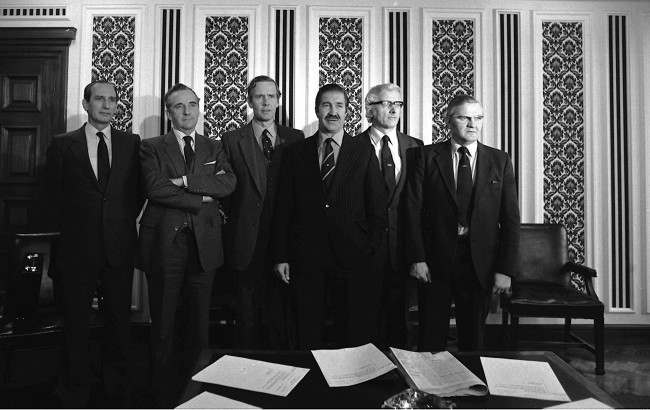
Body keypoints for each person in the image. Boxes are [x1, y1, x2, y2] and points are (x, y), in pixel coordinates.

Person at [42, 80, 143, 407]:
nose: (107, 105)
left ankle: (116, 387)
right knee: (76, 321)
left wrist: (119, 222)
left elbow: (137, 192)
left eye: (112, 100)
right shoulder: (63, 144)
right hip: (75, 249)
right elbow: (51, 197)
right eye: (99, 99)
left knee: (118, 320)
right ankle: (76, 388)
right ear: (86, 104)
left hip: (118, 245)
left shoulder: (131, 143)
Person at [137, 83, 236, 406]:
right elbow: (155, 189)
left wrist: (185, 182)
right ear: (169, 112)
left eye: (192, 105)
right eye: (179, 106)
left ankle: (199, 393)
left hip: (204, 246)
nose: (188, 111)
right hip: (165, 244)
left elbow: (228, 183)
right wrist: (202, 197)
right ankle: (161, 394)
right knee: (163, 325)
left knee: (199, 327)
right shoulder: (151, 147)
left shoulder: (214, 146)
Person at [272, 83, 387, 348]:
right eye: (326, 105)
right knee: (308, 331)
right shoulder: (295, 152)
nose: (333, 112)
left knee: (351, 332)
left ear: (348, 112)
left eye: (339, 106)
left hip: (353, 258)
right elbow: (283, 207)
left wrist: (370, 251)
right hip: (306, 258)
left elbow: (377, 207)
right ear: (316, 110)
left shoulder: (364, 150)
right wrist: (281, 256)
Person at [404, 94, 520, 351]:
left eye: (477, 118)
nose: (472, 124)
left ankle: (471, 390)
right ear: (448, 120)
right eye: (464, 117)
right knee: (431, 337)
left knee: (473, 340)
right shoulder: (424, 156)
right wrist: (417, 257)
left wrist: (505, 269)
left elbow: (511, 219)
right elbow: (411, 211)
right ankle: (429, 390)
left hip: (479, 263)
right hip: (434, 261)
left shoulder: (499, 161)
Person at [221, 75, 304, 349]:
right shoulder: (232, 139)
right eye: (259, 96)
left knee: (281, 317)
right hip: (246, 241)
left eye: (271, 96)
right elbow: (226, 188)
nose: (266, 102)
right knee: (247, 318)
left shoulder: (295, 138)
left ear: (279, 100)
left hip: (284, 242)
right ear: (249, 101)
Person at [356, 83, 422, 348]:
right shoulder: (353, 147)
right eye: (386, 103)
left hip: (403, 248)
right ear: (369, 109)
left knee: (401, 323)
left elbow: (419, 202)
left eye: (399, 103)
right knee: (366, 321)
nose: (394, 109)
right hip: (365, 249)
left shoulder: (415, 147)